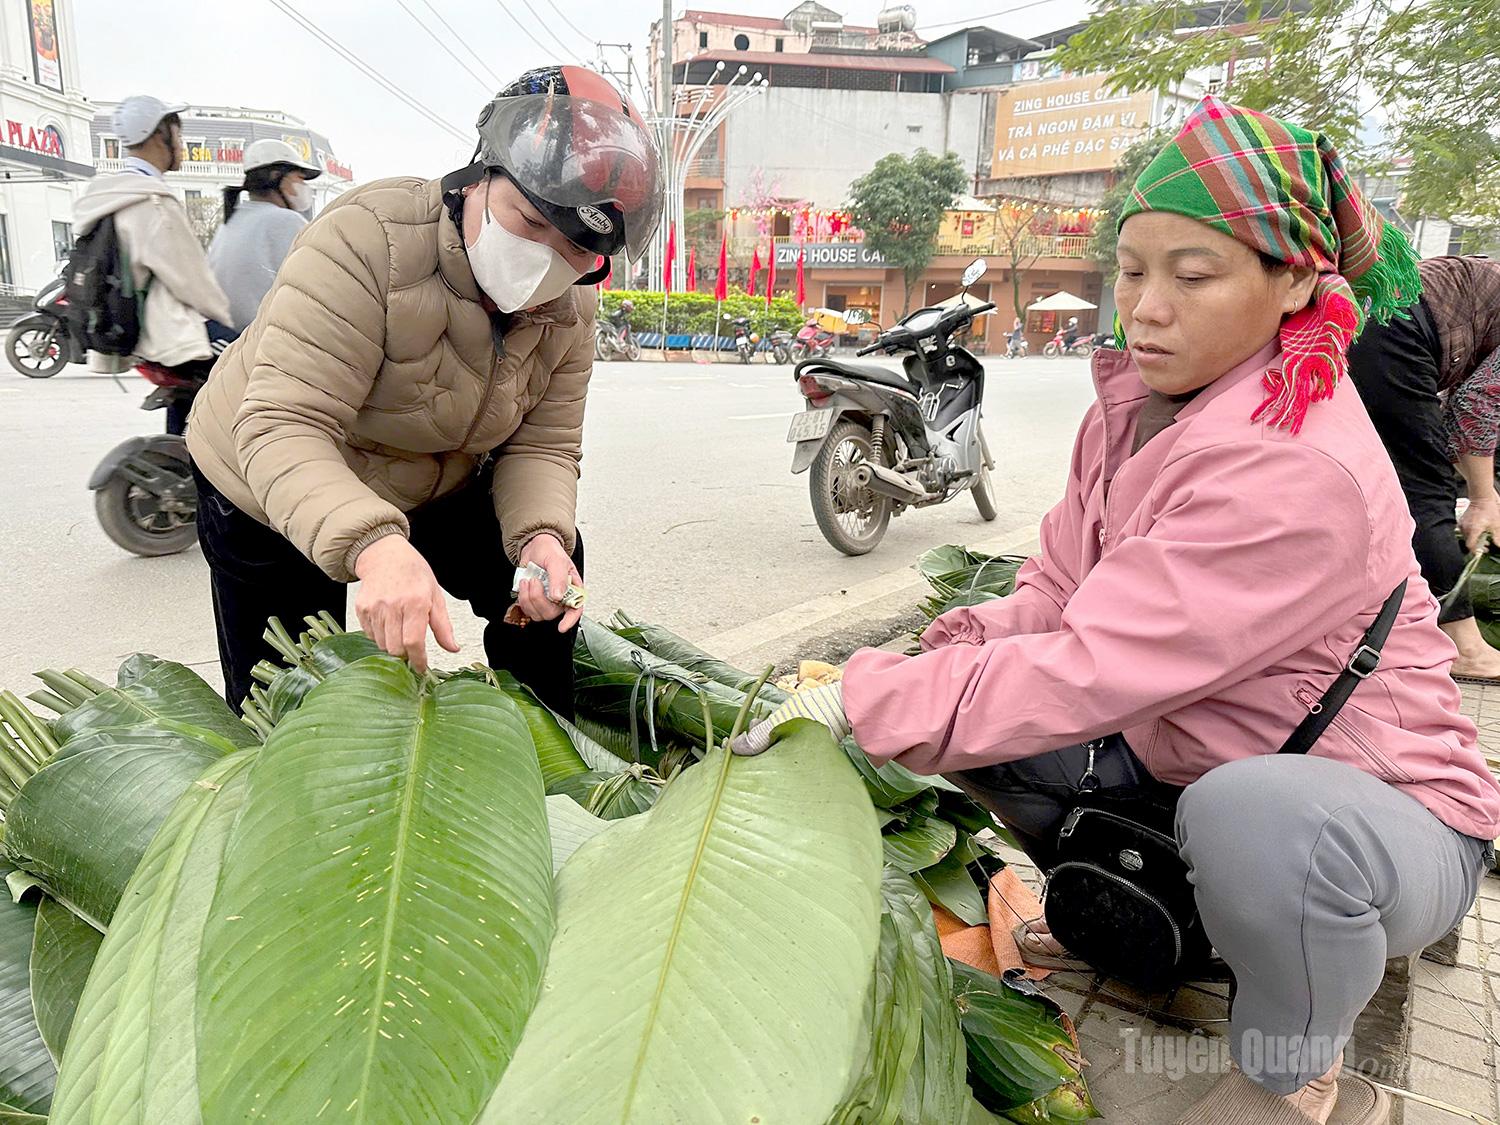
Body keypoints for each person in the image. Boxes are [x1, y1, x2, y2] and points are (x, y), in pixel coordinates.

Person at [735, 98, 1500, 1125]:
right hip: (1194, 759)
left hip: (1372, 811)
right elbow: (1053, 594)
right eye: (1133, 271)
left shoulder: (1297, 464)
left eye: (1193, 275)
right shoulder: (1135, 410)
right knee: (980, 716)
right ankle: (1163, 927)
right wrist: (935, 653)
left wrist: (862, 702)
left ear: (1292, 285)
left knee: (1255, 823)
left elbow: (1091, 664)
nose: (1146, 307)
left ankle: (1295, 1060)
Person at [186, 65, 662, 714]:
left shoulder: (570, 309)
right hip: (268, 471)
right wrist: (376, 546)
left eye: (577, 253)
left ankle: (548, 754)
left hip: (429, 472)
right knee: (291, 701)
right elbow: (282, 426)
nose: (546, 260)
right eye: (527, 221)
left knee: (552, 569)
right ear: (482, 175)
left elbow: (543, 448)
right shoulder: (366, 240)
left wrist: (541, 538)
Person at [1347, 256, 1500, 681]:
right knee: (1428, 492)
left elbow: (1461, 411)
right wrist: (1483, 499)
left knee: (1378, 480)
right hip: (1391, 324)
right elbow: (1475, 405)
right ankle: (1465, 647)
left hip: (1373, 317)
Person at [73, 95, 234, 434]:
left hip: (130, 327)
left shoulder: (105, 196)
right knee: (253, 360)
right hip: (168, 329)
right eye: (179, 136)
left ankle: (183, 457)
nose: (183, 145)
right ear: (160, 135)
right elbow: (194, 282)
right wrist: (229, 321)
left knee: (194, 399)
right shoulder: (151, 202)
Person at [208, 138, 322, 331]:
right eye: (299, 178)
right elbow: (317, 288)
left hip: (231, 340)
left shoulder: (231, 222)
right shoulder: (285, 221)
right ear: (277, 177)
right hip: (269, 343)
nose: (304, 186)